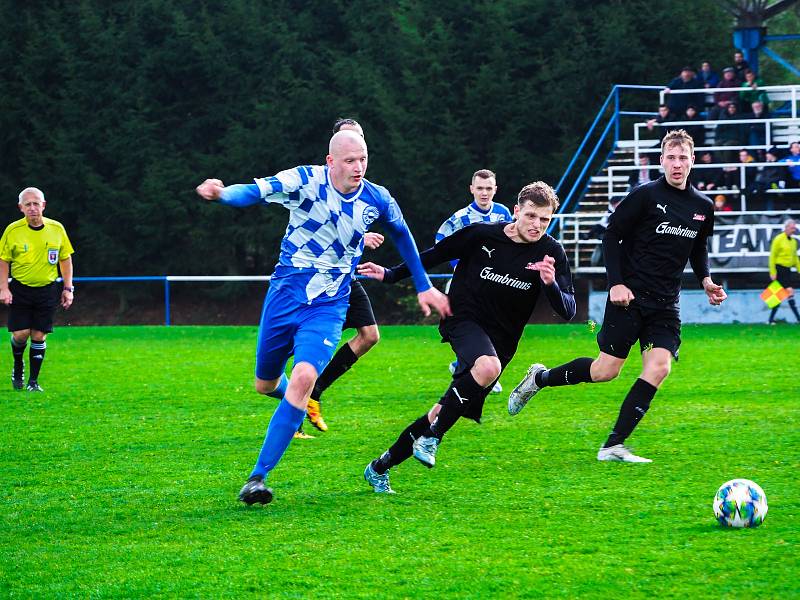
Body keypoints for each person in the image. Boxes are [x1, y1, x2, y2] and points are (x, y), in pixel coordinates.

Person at [195, 130, 450, 505]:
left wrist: (424, 285)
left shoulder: (377, 197)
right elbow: (253, 191)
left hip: (330, 302)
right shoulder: (304, 180)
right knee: (265, 385)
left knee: (304, 376)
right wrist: (221, 194)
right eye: (350, 160)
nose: (358, 167)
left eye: (363, 159)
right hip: (285, 294)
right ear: (330, 161)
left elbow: (403, 235)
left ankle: (257, 478)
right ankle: (295, 405)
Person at [508, 129, 727, 463]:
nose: (677, 164)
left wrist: (707, 279)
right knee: (605, 370)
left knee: (659, 367)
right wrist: (616, 284)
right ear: (662, 160)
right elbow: (611, 237)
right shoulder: (645, 195)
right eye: (671, 157)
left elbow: (698, 247)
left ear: (693, 160)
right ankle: (539, 378)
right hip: (630, 299)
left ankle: (613, 445)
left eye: (683, 157)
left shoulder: (702, 206)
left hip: (666, 305)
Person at [360, 181, 576, 493]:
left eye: (545, 220)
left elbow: (568, 309)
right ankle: (434, 438)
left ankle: (380, 467)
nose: (536, 225)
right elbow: (435, 254)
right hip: (462, 319)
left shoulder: (551, 252)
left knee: (442, 410)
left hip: (502, 342)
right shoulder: (482, 234)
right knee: (488, 369)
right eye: (531, 216)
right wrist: (392, 274)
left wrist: (550, 283)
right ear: (516, 211)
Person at [305, 118, 383, 433]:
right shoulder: (320, 186)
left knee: (369, 335)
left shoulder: (365, 189)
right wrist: (360, 239)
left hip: (346, 279)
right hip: (317, 279)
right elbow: (320, 231)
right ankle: (294, 413)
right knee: (308, 347)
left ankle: (315, 392)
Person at [435, 169, 513, 393]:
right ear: (471, 189)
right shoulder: (460, 218)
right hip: (468, 285)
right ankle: (473, 368)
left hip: (496, 282)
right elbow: (441, 239)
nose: (484, 192)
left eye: (489, 188)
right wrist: (457, 265)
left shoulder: (503, 213)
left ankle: (474, 368)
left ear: (495, 190)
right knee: (470, 326)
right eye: (480, 188)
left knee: (496, 327)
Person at [0, 187, 75, 392]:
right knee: (21, 334)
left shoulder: (56, 228)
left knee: (39, 335)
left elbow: (65, 258)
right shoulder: (13, 231)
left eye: (36, 203)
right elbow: (3, 260)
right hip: (20, 289)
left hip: (47, 289)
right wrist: (4, 288)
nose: (32, 208)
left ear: (43, 205)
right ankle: (17, 366)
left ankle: (33, 382)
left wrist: (68, 288)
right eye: (28, 204)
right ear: (20, 208)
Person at [767, 219, 800, 324]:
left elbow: (795, 258)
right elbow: (772, 256)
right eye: (792, 228)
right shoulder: (778, 239)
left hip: (788, 270)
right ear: (786, 228)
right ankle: (798, 319)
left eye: (794, 228)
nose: (793, 230)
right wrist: (772, 271)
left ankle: (770, 320)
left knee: (778, 294)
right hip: (780, 268)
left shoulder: (794, 241)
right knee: (789, 291)